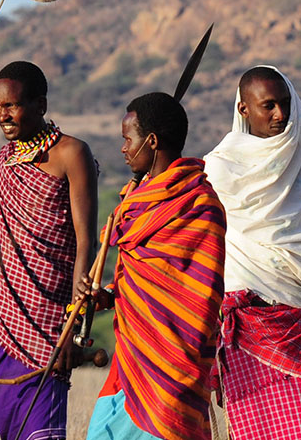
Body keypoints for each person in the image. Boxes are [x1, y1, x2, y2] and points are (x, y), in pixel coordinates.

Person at [0, 61, 100, 440]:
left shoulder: (71, 154)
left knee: (43, 430)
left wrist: (73, 327)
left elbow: (87, 242)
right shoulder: (6, 160)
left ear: (41, 104)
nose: (3, 116)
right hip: (1, 319)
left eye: (12, 106)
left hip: (48, 320)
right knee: (8, 426)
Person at [202, 66, 301, 439]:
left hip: (298, 317)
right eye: (268, 106)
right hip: (243, 322)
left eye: (284, 104)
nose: (280, 115)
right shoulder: (219, 167)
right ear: (244, 109)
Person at [84, 92, 227, 440]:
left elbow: (200, 296)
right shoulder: (134, 205)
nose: (123, 148)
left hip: (174, 363)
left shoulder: (200, 206)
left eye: (127, 140)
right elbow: (141, 280)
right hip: (132, 356)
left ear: (151, 141)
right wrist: (107, 295)